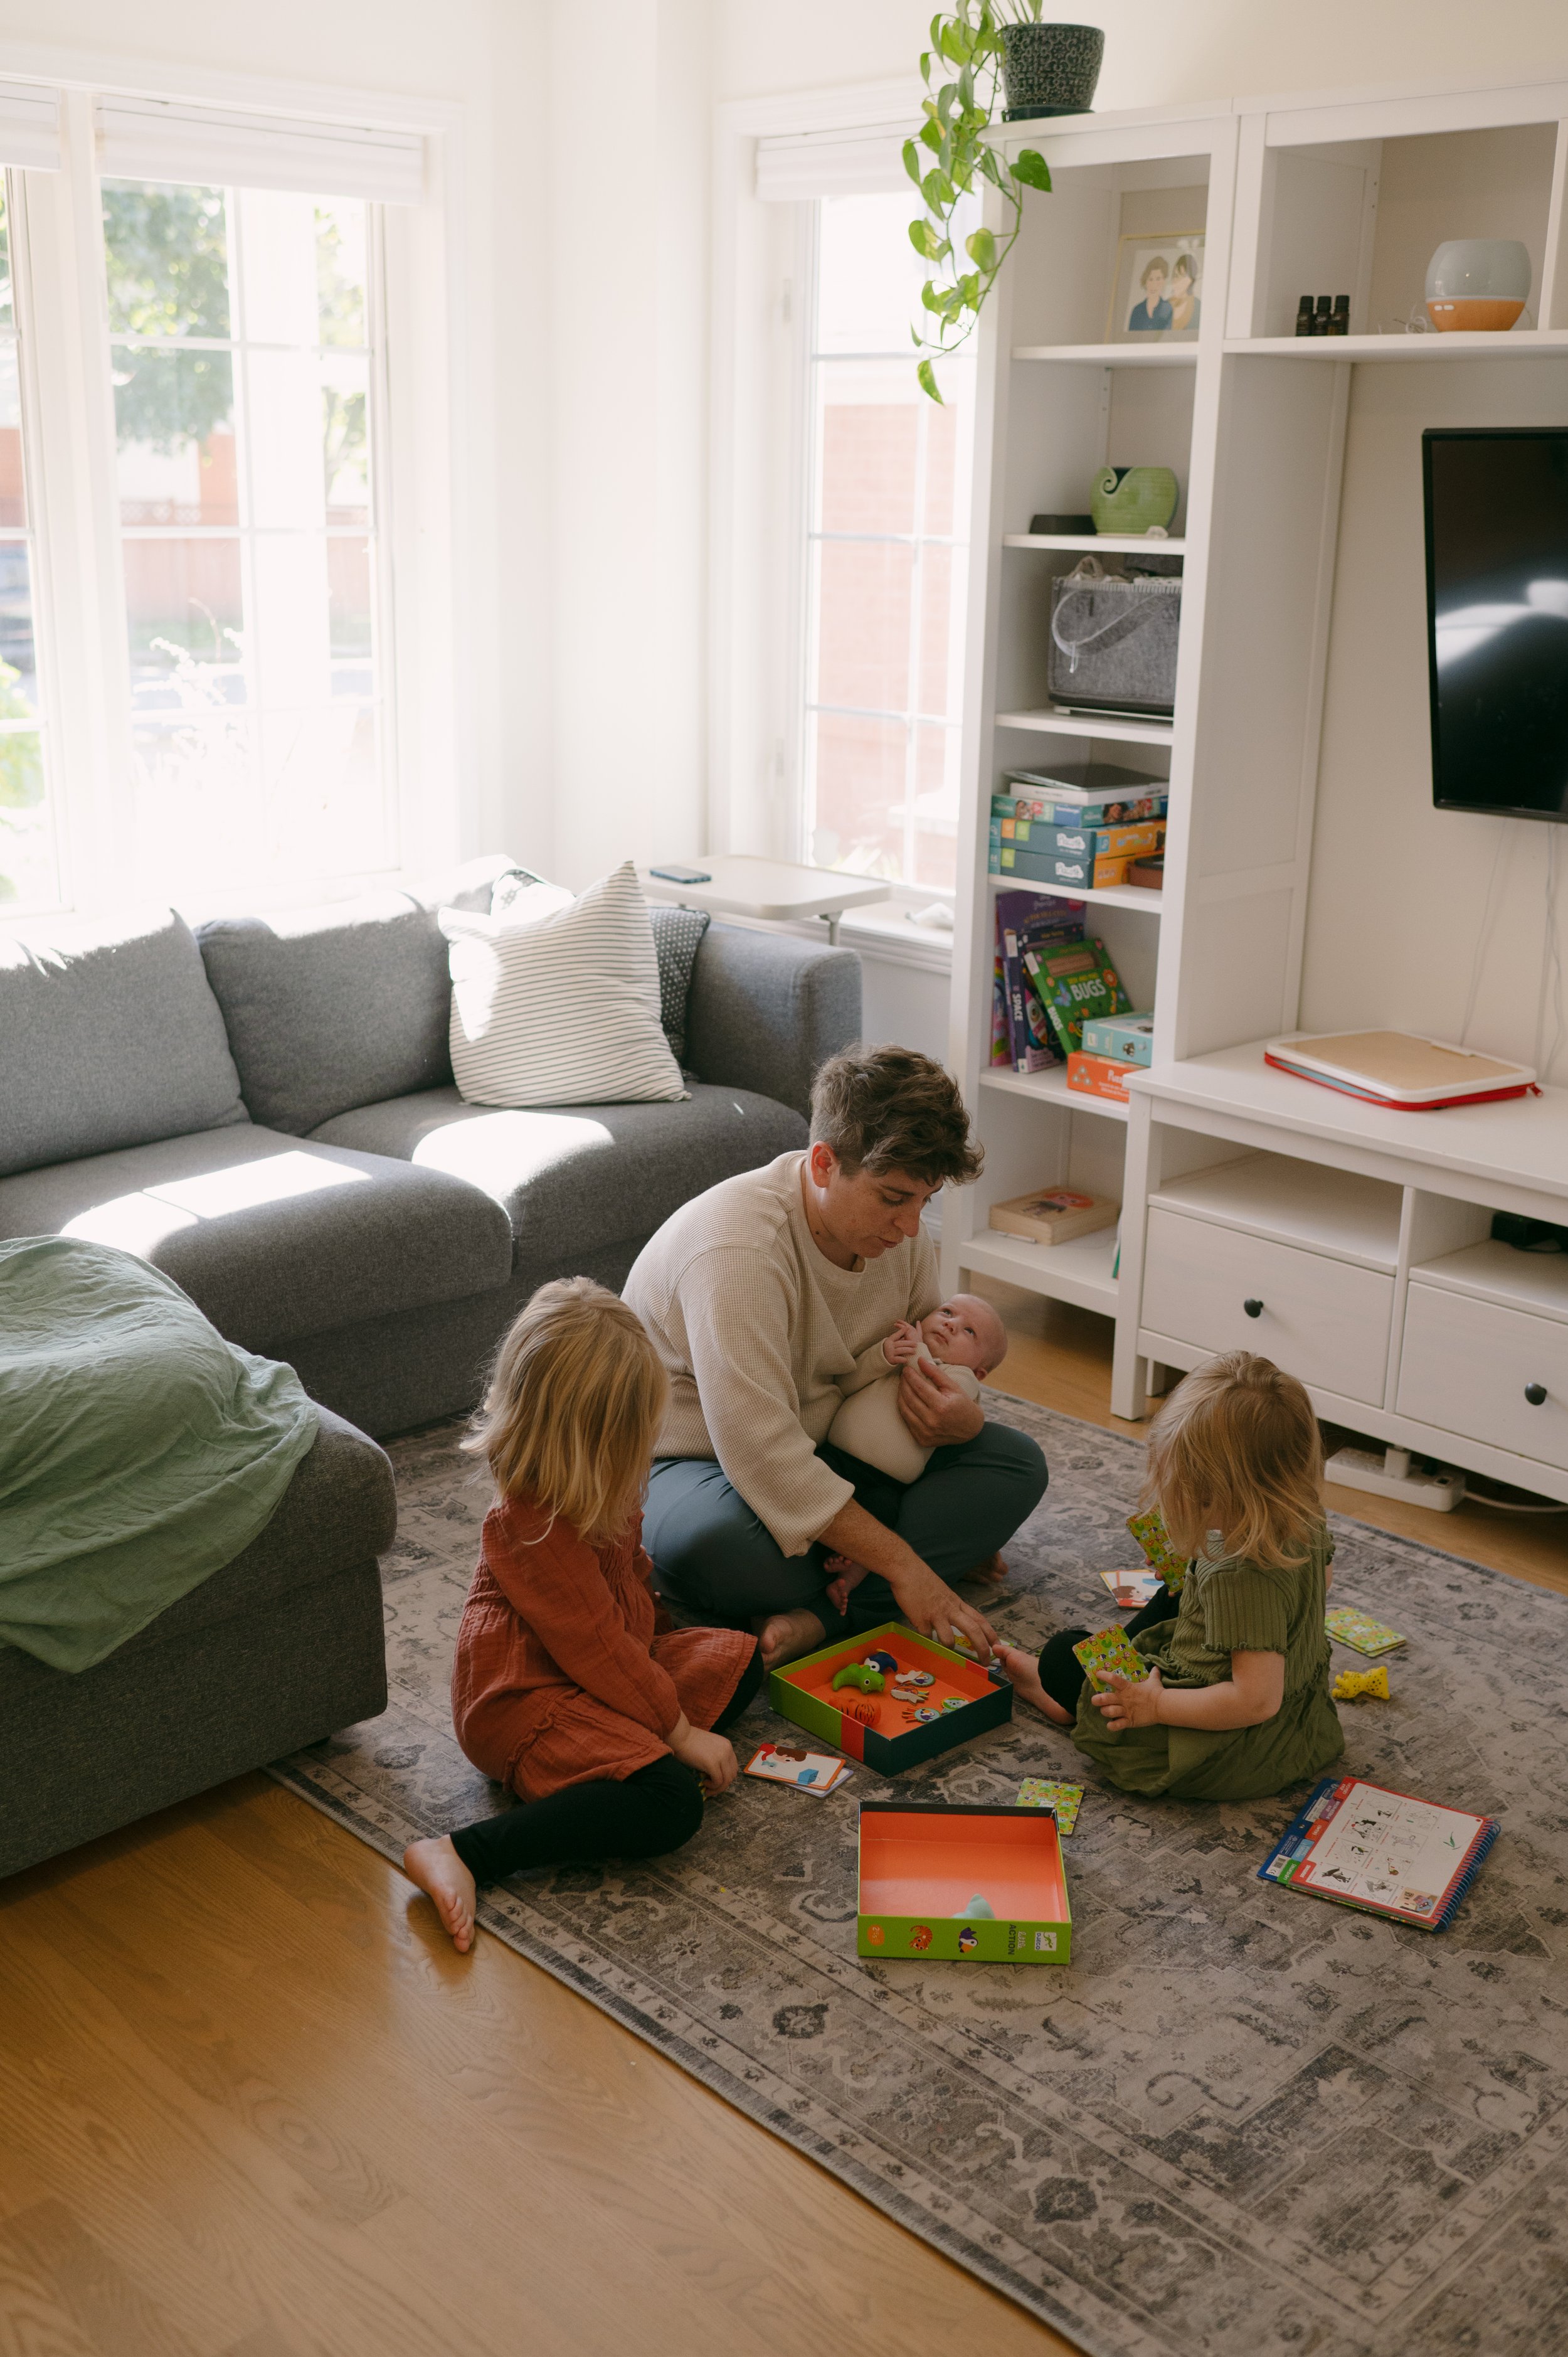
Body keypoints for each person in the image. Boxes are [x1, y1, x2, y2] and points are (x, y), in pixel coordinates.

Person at [625, 1045, 1048, 1670]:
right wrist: (912, 1562)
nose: (910, 1227)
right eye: (892, 1198)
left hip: (829, 1444)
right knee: (723, 1549)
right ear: (823, 1164)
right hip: (696, 1464)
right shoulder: (737, 1251)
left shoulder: (898, 1237)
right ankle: (900, 1574)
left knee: (1015, 1465)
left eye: (924, 1202)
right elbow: (760, 1453)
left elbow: (926, 1366)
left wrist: (961, 1422)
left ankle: (821, 1616)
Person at [402, 1279, 761, 1952]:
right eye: (634, 1437)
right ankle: (463, 1852)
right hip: (523, 1700)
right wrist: (680, 1733)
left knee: (740, 1661)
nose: (645, 1452)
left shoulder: (600, 1485)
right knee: (668, 1805)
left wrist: (666, 1660)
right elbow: (595, 1646)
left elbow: (629, 1593)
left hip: (602, 1666)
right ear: (588, 1439)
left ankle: (622, 1756)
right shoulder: (526, 1524)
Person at [997, 1351, 1343, 1802]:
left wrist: (1154, 1704)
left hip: (1228, 1747)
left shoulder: (1236, 1573)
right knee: (1175, 1592)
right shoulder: (1302, 1515)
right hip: (1301, 1721)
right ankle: (1093, 1684)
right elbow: (1322, 1582)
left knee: (1063, 1655)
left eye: (1193, 1496)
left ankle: (1060, 1698)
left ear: (1222, 1492)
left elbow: (1256, 1700)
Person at [822, 1293, 1009, 1615]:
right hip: (834, 1455)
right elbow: (848, 1382)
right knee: (812, 1489)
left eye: (969, 1331)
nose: (951, 1324)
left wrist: (916, 1349)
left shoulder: (963, 1381)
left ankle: (851, 1574)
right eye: (947, 1312)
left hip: (883, 1481)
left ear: (980, 1372)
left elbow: (931, 1385)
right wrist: (881, 1356)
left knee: (882, 1515)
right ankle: (822, 1550)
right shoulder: (902, 1351)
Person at [1127, 255, 1172, 333]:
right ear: (1146, 282)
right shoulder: (1137, 311)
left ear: (1164, 281)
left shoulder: (1168, 309)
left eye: (1158, 279)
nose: (1154, 285)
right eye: (1151, 279)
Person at [1168, 252, 1201, 332]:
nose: (1177, 281)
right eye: (1176, 276)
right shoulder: (1164, 305)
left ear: (1191, 280)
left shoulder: (1198, 307)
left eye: (1183, 276)